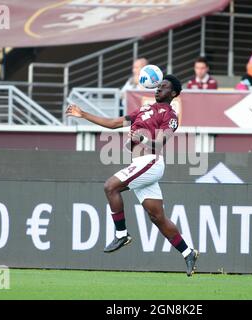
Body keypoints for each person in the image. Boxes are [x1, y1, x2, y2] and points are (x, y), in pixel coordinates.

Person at [65, 75, 199, 277]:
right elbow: (113, 123)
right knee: (157, 217)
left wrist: (142, 137)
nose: (158, 89)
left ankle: (121, 234)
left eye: (163, 87)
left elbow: (161, 142)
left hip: (151, 161)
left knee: (110, 186)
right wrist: (83, 114)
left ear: (173, 94)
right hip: (139, 163)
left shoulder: (170, 115)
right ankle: (188, 253)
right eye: (158, 86)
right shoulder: (144, 110)